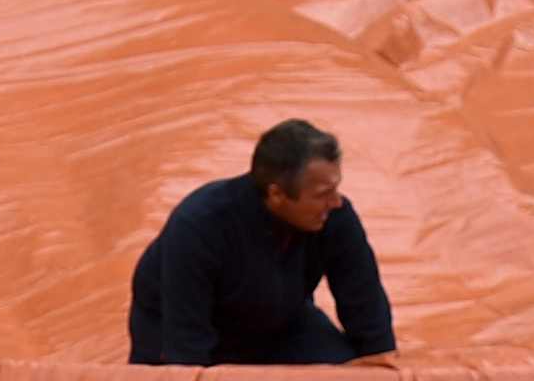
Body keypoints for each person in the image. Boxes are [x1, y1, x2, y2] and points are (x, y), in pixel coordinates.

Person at [129, 120, 395, 367]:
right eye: (323, 194)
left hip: (279, 322)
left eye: (336, 189)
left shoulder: (334, 217)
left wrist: (381, 369)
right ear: (276, 193)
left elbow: (364, 301)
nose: (336, 201)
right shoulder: (199, 226)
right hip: (184, 326)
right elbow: (185, 345)